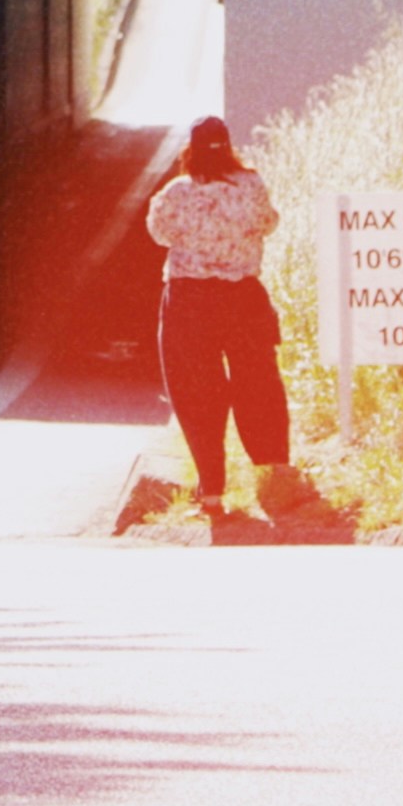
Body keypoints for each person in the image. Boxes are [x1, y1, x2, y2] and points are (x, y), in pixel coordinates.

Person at [145, 116, 314, 525]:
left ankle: (212, 493)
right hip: (243, 298)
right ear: (229, 145)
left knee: (196, 391)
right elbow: (268, 223)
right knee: (258, 383)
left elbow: (158, 233)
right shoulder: (251, 186)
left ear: (191, 149)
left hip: (189, 300)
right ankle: (273, 473)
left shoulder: (177, 193)